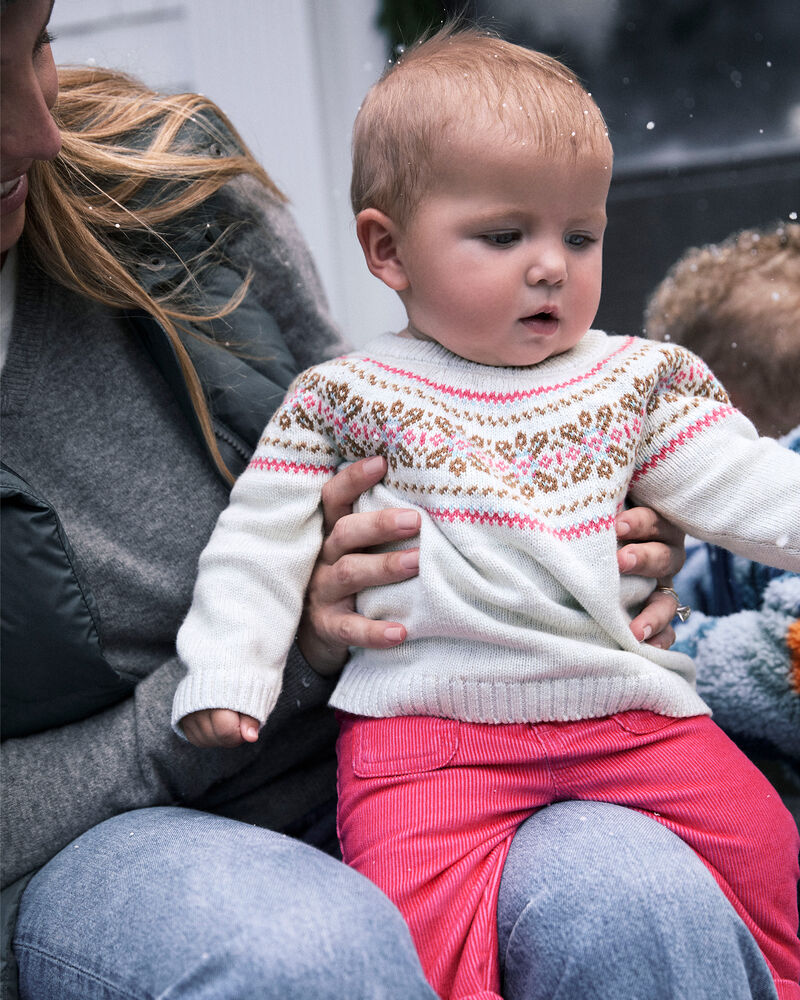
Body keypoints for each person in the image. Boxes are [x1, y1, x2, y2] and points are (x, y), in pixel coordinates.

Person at [0, 3, 783, 999]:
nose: (553, 263)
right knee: (363, 949)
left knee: (696, 882)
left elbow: (744, 482)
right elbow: (259, 543)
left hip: (591, 716)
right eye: (504, 234)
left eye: (582, 234)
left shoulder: (628, 379)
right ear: (387, 250)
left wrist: (607, 526)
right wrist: (242, 665)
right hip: (388, 753)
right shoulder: (345, 399)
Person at [645, 222, 800, 821]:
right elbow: (691, 600)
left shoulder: (778, 498)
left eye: (665, 413)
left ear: (720, 417)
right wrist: (661, 609)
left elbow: (784, 665)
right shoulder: (724, 545)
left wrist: (666, 650)